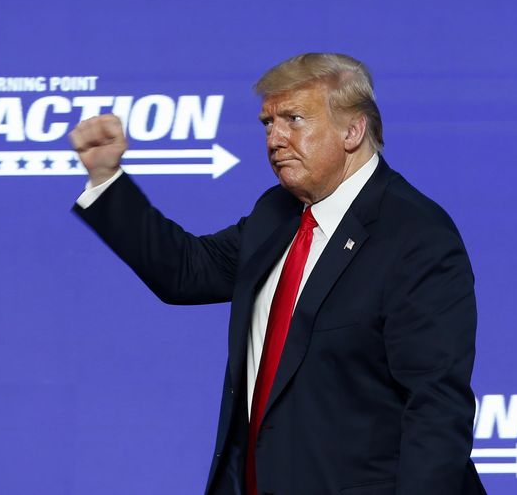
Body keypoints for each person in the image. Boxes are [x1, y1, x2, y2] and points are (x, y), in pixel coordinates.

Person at [71, 53, 486, 494]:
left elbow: (436, 409)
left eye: (294, 118)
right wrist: (105, 177)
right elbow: (185, 271)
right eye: (268, 123)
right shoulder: (276, 214)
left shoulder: (416, 235)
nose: (275, 139)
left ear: (353, 130)